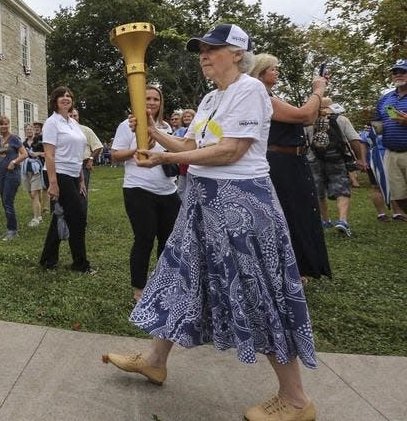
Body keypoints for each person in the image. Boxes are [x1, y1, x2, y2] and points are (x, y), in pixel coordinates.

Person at [102, 24, 318, 421]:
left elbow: (231, 151)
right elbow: (192, 146)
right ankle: (154, 359)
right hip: (202, 203)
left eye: (213, 49)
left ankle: (296, 399)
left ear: (238, 53)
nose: (204, 55)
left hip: (241, 205)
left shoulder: (251, 90)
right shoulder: (210, 98)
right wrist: (152, 135)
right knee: (178, 277)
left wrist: (166, 160)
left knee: (256, 292)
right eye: (201, 49)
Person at [251, 53, 332, 280]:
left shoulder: (272, 96)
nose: (277, 72)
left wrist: (320, 94)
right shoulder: (262, 98)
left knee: (300, 213)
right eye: (273, 69)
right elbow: (304, 116)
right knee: (289, 213)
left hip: (294, 161)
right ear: (260, 72)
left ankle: (300, 266)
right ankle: (289, 269)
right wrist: (317, 90)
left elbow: (308, 113)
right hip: (280, 164)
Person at [111, 86, 180, 303]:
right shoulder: (128, 125)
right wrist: (137, 149)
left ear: (161, 103)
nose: (151, 102)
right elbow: (114, 155)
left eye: (155, 99)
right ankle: (139, 288)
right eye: (147, 98)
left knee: (168, 240)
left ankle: (162, 282)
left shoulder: (167, 127)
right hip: (138, 189)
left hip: (168, 190)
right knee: (144, 238)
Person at [39, 86, 94, 274]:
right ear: (54, 100)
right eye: (61, 96)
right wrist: (53, 183)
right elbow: (49, 155)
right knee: (77, 216)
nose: (66, 98)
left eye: (69, 95)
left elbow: (78, 153)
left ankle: (47, 259)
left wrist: (80, 178)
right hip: (57, 173)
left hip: (72, 174)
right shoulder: (52, 123)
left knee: (60, 216)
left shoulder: (73, 123)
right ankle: (80, 264)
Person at [305, 98, 365, 236]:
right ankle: (342, 220)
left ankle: (325, 220)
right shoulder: (342, 120)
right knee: (342, 189)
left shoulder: (309, 121)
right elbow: (354, 140)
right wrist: (360, 158)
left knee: (318, 191)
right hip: (337, 158)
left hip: (314, 159)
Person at [372, 59, 407, 220]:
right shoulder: (385, 99)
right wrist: (373, 129)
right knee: (398, 195)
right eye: (395, 72)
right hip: (390, 153)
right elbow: (378, 123)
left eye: (402, 71)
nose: (398, 74)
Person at [0, 116, 27, 240]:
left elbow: (25, 154)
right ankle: (10, 228)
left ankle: (13, 230)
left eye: (6, 124)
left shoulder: (14, 139)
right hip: (2, 175)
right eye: (1, 124)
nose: (4, 126)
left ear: (9, 125)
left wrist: (14, 162)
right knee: (4, 202)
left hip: (12, 174)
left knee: (7, 201)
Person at [359, 124, 406, 221]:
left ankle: (397, 213)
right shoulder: (370, 127)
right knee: (376, 186)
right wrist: (363, 161)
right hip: (375, 159)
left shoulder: (396, 126)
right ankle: (382, 214)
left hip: (392, 158)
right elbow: (363, 143)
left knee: (395, 186)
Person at [70, 108, 103, 190]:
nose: (73, 118)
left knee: (82, 191)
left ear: (78, 117)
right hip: (68, 164)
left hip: (83, 164)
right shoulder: (62, 131)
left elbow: (98, 146)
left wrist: (91, 159)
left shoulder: (86, 130)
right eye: (70, 116)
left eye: (75, 116)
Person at [21, 123, 44, 227]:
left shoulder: (39, 141)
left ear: (33, 131)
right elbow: (20, 155)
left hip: (37, 170)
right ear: (25, 131)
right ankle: (39, 214)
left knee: (34, 193)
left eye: (31, 129)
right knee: (32, 194)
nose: (29, 131)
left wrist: (36, 154)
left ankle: (36, 219)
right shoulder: (23, 144)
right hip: (26, 170)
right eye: (27, 130)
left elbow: (46, 153)